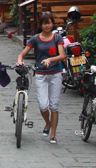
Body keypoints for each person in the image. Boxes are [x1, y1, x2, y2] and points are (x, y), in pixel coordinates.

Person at [16, 12, 66, 144]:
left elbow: (62, 56)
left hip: (55, 74)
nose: (47, 26)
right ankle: (47, 123)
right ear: (41, 25)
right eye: (44, 23)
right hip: (40, 74)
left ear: (53, 24)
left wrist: (50, 59)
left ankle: (53, 134)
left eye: (49, 23)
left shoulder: (57, 38)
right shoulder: (36, 38)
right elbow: (22, 54)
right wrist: (20, 61)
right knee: (43, 105)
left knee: (54, 106)